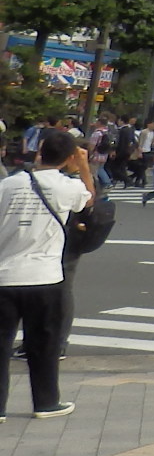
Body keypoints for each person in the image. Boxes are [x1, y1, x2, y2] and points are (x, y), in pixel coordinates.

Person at [0, 130, 93, 420]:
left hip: (4, 275)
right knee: (44, 344)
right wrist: (84, 167)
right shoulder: (67, 187)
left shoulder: (8, 184)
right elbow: (89, 202)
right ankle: (46, 402)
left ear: (39, 152)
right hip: (44, 277)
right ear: (68, 159)